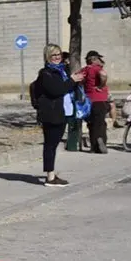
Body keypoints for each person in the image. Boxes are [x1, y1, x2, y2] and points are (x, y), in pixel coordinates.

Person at [35, 44, 84, 187]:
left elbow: (68, 88)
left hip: (64, 112)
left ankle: (51, 173)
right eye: (53, 55)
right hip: (52, 113)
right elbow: (56, 90)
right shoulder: (46, 73)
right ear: (47, 57)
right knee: (50, 145)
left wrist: (76, 81)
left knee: (54, 144)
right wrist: (72, 81)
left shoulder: (62, 71)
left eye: (58, 55)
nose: (57, 58)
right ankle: (50, 177)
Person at [81, 51, 110, 154]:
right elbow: (103, 75)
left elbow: (78, 79)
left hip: (88, 101)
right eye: (98, 59)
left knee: (91, 124)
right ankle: (100, 140)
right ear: (94, 59)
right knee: (101, 123)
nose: (100, 61)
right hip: (100, 99)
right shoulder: (96, 68)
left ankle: (93, 147)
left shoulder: (85, 70)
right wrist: (101, 86)